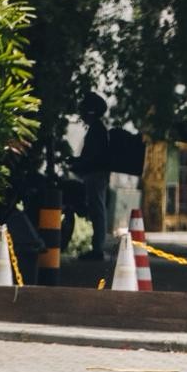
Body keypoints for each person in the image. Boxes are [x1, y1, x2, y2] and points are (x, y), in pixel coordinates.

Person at [71, 92, 110, 261]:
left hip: (96, 174)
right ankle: (97, 247)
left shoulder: (97, 130)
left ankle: (98, 249)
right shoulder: (97, 129)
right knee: (96, 210)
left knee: (97, 210)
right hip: (95, 174)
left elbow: (92, 157)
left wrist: (77, 162)